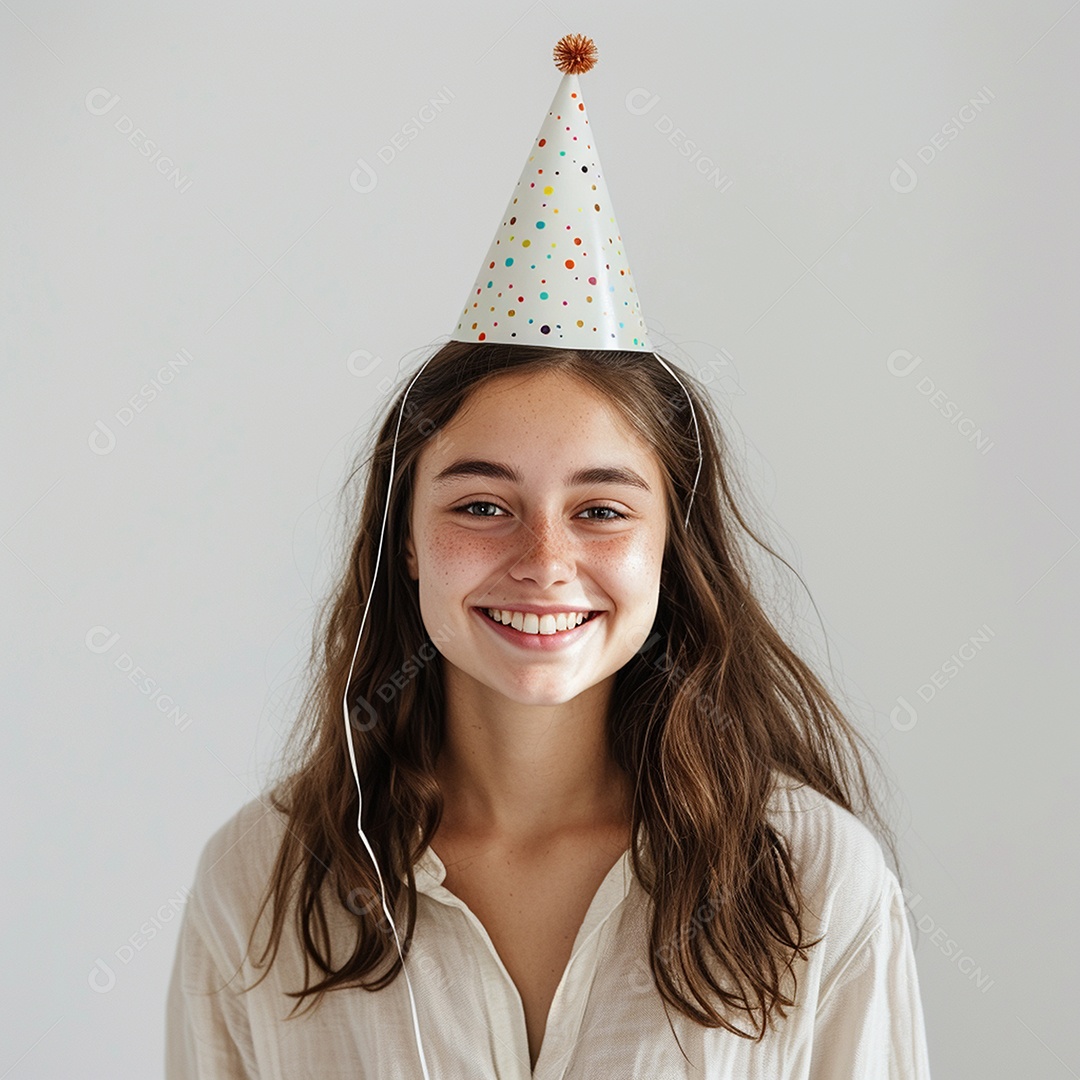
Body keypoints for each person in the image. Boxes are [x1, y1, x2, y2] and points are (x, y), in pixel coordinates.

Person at [166, 34, 932, 1079]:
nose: (543, 560)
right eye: (483, 504)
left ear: (674, 543)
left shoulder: (809, 878)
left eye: (602, 511)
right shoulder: (261, 881)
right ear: (403, 539)